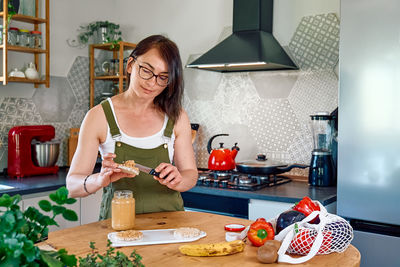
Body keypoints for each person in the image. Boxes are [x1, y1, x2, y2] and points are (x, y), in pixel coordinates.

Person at [66, 35, 198, 219]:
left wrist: (179, 180)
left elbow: (190, 174)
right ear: (130, 65)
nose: (152, 82)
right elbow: (72, 186)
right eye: (146, 70)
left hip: (169, 227)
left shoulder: (176, 116)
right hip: (117, 230)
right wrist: (99, 179)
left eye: (163, 77)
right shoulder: (98, 116)